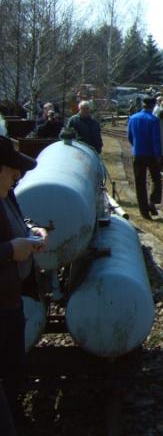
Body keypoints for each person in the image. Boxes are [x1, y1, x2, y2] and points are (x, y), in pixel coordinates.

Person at [0, 135, 48, 433]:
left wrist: (31, 231)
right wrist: (9, 250)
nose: (18, 175)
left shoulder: (6, 194)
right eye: (12, 169)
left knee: (13, 372)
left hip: (10, 302)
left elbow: (17, 220)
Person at [127, 97, 162, 220]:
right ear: (153, 105)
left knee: (140, 182)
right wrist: (158, 155)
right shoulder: (154, 120)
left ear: (143, 105)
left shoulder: (133, 118)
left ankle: (144, 211)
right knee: (156, 179)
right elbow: (156, 140)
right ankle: (152, 202)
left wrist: (136, 146)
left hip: (138, 153)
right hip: (151, 154)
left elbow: (129, 136)